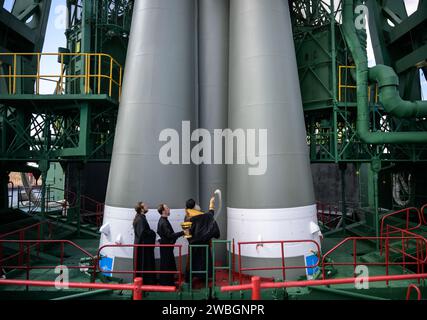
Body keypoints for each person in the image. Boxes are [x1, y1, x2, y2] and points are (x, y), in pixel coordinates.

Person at [185, 197, 220, 283]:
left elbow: (186, 234)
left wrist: (191, 242)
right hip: (204, 244)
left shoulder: (186, 216)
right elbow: (210, 214)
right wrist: (211, 204)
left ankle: (190, 278)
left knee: (192, 262)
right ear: (194, 207)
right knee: (204, 261)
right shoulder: (202, 216)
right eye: (196, 204)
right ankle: (204, 277)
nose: (198, 206)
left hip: (193, 245)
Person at [157, 204, 185, 286]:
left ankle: (168, 282)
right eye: (167, 208)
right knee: (167, 265)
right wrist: (183, 232)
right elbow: (170, 235)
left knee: (167, 265)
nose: (169, 209)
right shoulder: (164, 222)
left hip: (166, 247)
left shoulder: (163, 220)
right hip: (166, 248)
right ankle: (167, 284)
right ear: (163, 211)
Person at [133, 202, 157, 284]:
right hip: (143, 249)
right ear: (141, 209)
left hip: (142, 248)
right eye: (145, 205)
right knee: (144, 265)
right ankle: (146, 282)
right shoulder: (140, 219)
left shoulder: (140, 218)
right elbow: (142, 233)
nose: (147, 206)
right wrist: (152, 233)